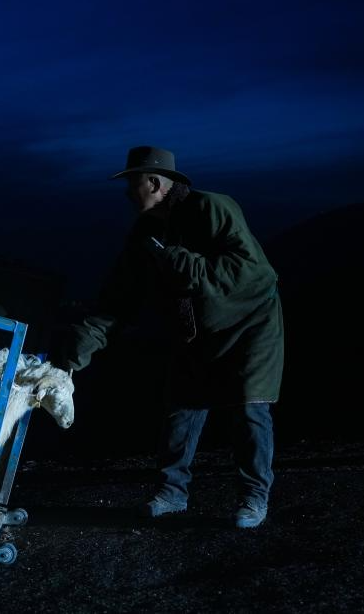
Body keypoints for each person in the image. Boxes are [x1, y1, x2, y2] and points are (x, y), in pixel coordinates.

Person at [48, 146, 284, 528]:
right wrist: (78, 350)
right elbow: (119, 298)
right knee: (183, 407)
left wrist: (183, 263)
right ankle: (172, 493)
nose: (128, 193)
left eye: (133, 184)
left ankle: (253, 498)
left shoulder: (212, 207)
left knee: (248, 406)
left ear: (155, 183)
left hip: (250, 325)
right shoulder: (145, 233)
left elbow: (253, 273)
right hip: (196, 332)